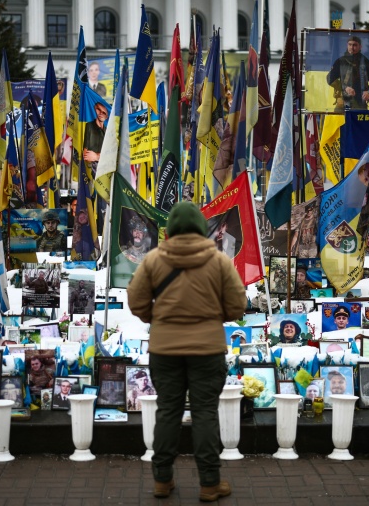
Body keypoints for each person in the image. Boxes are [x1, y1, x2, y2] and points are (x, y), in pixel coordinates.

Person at [127, 201, 246, 501]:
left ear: (172, 229)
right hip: (208, 350)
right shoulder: (218, 261)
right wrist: (211, 315)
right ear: (198, 227)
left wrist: (157, 318)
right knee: (205, 413)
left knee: (168, 411)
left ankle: (162, 481)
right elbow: (237, 305)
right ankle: (209, 483)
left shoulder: (153, 260)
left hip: (164, 350)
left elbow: (136, 300)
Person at [327, 35, 369, 112]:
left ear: (360, 46)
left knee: (359, 123)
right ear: (347, 45)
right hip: (342, 101)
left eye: (355, 45)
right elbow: (330, 79)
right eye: (350, 44)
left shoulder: (365, 62)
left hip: (359, 102)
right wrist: (345, 88)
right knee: (338, 123)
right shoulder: (341, 61)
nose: (352, 47)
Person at [83, 101, 108, 176]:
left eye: (104, 112)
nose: (101, 113)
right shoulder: (89, 126)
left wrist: (97, 156)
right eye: (98, 110)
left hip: (104, 172)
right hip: (90, 171)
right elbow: (86, 155)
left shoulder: (108, 132)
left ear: (107, 116)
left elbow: (112, 157)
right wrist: (104, 157)